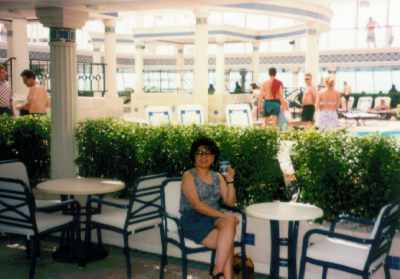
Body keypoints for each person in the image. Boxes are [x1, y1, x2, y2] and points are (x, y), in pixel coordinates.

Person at [180, 137, 238, 279]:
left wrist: (230, 180)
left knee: (229, 223)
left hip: (214, 217)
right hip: (193, 219)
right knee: (227, 242)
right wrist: (223, 216)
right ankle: (224, 276)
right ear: (194, 156)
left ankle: (217, 272)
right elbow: (197, 205)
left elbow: (230, 203)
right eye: (199, 153)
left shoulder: (217, 176)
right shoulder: (189, 176)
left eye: (208, 153)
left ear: (213, 157)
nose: (204, 157)